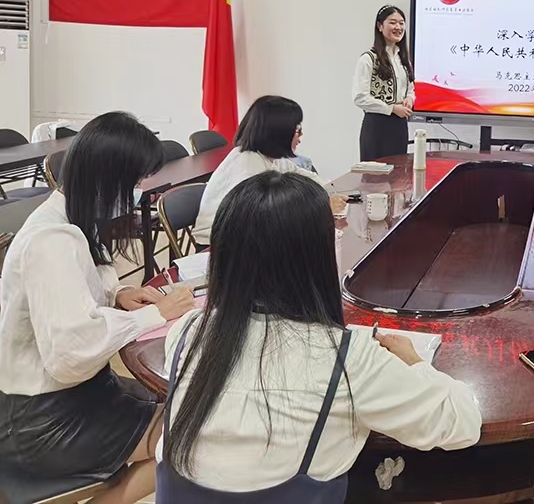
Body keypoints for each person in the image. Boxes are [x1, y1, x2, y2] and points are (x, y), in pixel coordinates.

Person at [156, 171, 481, 499]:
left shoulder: (188, 331)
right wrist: (415, 363)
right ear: (317, 257)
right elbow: (461, 423)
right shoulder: (347, 359)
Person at [0, 112, 196, 504]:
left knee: (185, 409)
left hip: (75, 394)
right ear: (107, 179)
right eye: (136, 182)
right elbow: (71, 354)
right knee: (190, 439)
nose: (140, 192)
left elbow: (82, 284)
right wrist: (154, 315)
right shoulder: (52, 241)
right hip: (43, 419)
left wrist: (119, 293)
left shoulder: (73, 218)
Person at [192, 95, 346, 247]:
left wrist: (330, 193)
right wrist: (322, 208)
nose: (300, 137)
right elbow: (268, 219)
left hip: (248, 236)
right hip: (219, 244)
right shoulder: (247, 168)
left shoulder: (271, 157)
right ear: (279, 132)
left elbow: (306, 177)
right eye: (297, 130)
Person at [353, 4, 415, 162]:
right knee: (375, 175)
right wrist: (392, 108)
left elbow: (410, 89)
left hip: (399, 127)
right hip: (377, 127)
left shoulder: (403, 60)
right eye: (393, 23)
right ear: (380, 26)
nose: (398, 27)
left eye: (401, 23)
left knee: (398, 173)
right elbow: (360, 97)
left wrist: (410, 98)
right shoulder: (368, 59)